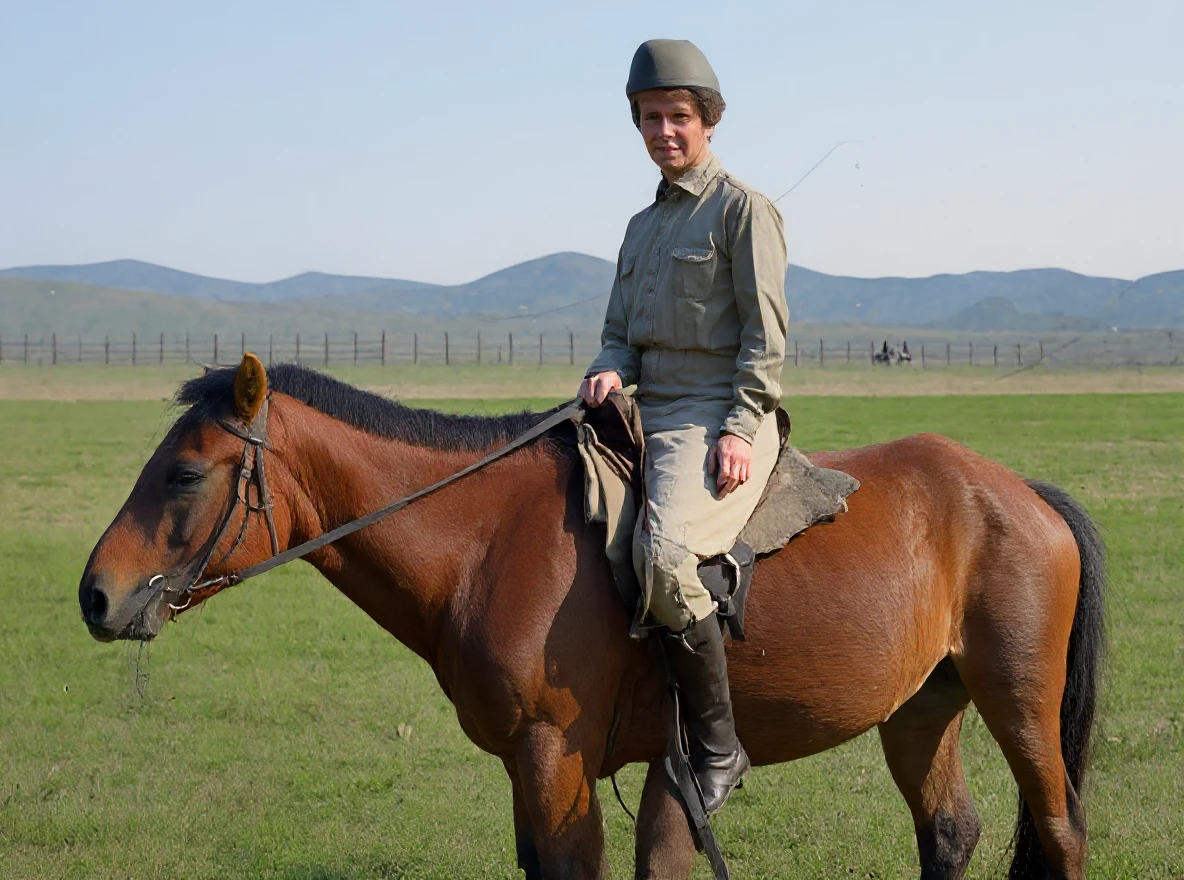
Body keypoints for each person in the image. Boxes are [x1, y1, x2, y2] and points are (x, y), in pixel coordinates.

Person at [579, 39, 788, 814]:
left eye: (678, 116)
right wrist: (607, 368)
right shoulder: (641, 227)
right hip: (645, 407)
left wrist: (740, 427)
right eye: (649, 117)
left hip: (717, 413)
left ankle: (716, 746)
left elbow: (766, 341)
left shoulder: (743, 211)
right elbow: (617, 333)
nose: (664, 130)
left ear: (708, 120)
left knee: (665, 555)